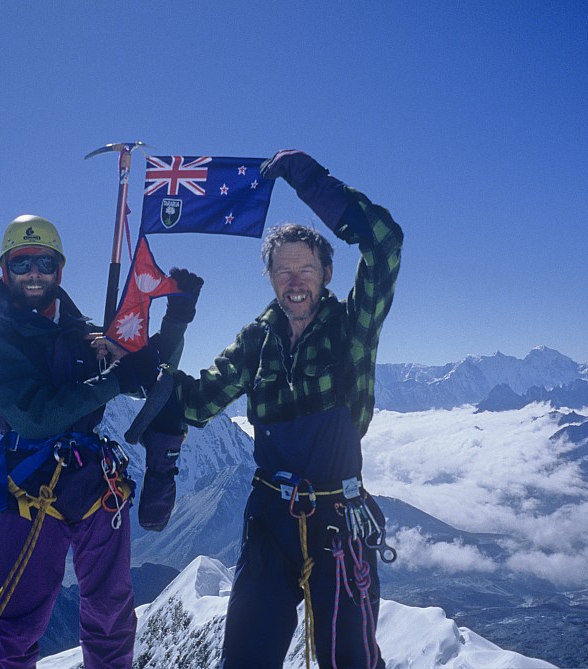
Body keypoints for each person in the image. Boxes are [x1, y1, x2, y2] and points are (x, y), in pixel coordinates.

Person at [170, 150, 403, 668]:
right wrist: (150, 347)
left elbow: (385, 243)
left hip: (338, 520)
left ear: (326, 272)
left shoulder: (352, 330)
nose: (295, 281)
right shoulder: (257, 338)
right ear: (270, 278)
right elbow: (198, 402)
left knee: (352, 661)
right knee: (246, 659)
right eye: (283, 270)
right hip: (270, 521)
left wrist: (310, 181)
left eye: (306, 268)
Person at [0, 215, 200, 669]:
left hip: (93, 486)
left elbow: (153, 374)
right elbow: (35, 417)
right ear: (5, 270)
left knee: (112, 616)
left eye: (44, 262)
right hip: (32, 486)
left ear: (59, 270)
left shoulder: (85, 334)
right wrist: (114, 378)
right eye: (23, 262)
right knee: (16, 626)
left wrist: (177, 318)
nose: (34, 272)